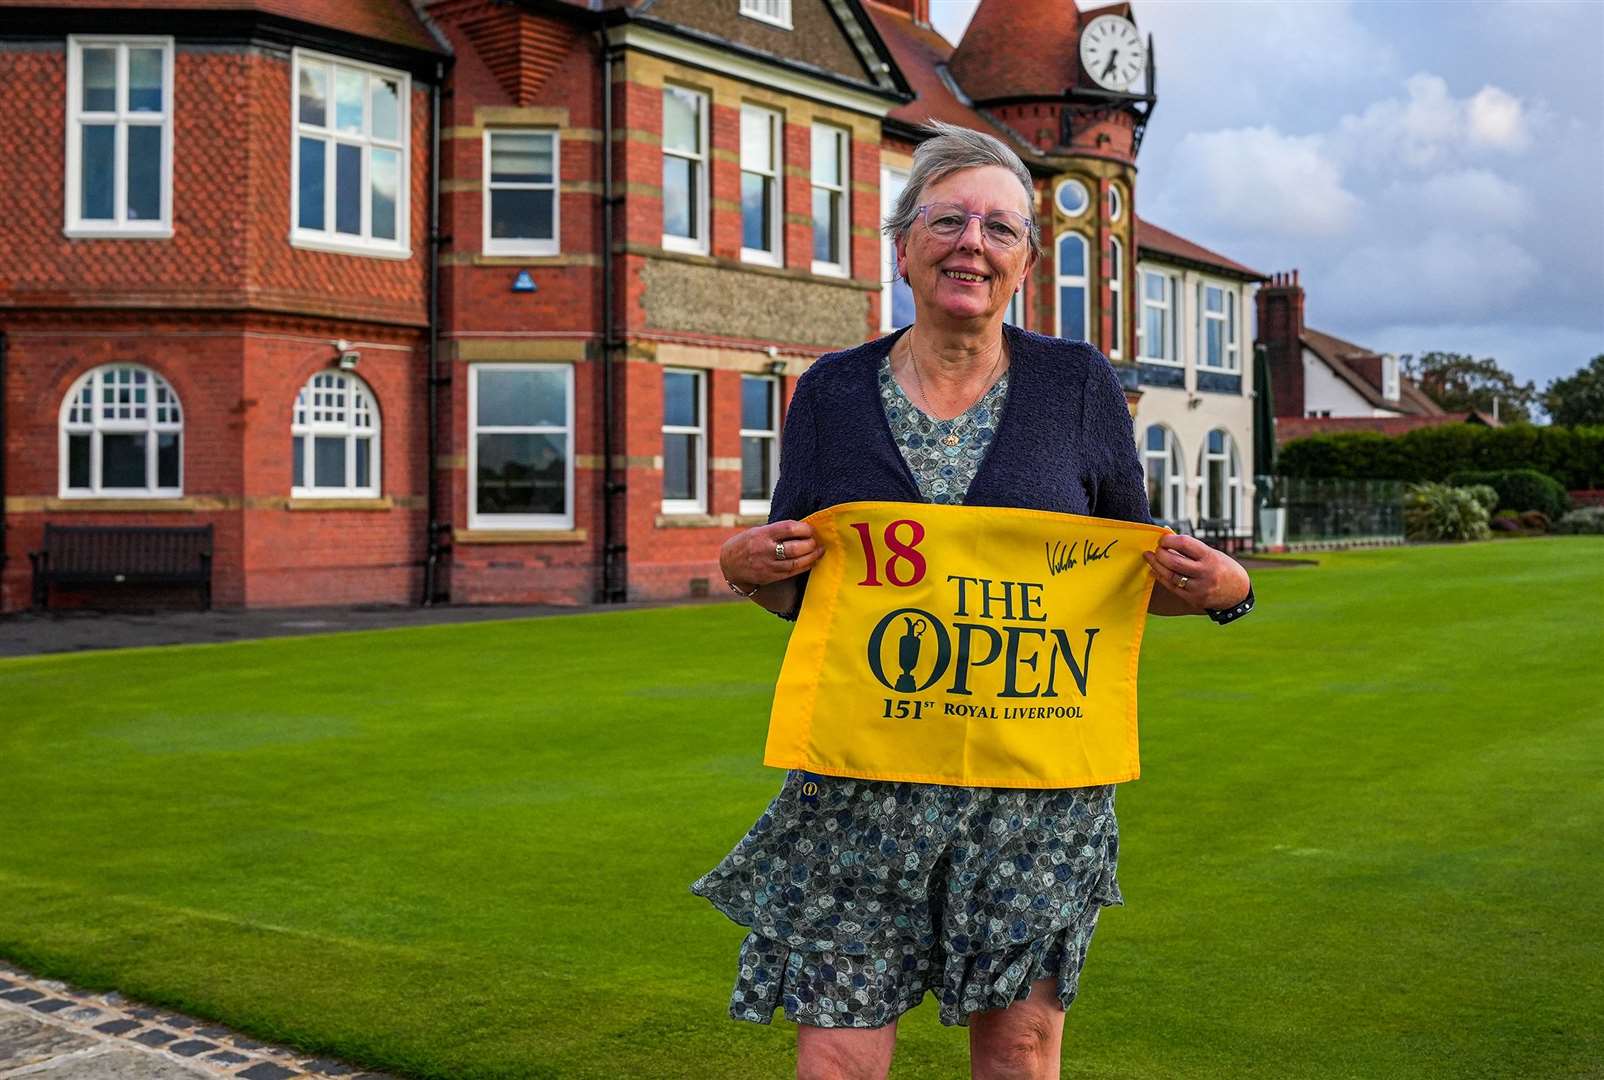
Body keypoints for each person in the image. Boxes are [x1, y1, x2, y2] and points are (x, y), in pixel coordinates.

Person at [692, 121, 1254, 1080]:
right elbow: (805, 592)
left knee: (1021, 1050)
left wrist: (1227, 590)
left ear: (1026, 259)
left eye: (1000, 228)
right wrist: (744, 566)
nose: (972, 245)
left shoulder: (1075, 385)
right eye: (948, 221)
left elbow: (1121, 570)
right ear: (902, 245)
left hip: (1033, 789)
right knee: (835, 1051)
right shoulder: (831, 391)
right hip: (861, 780)